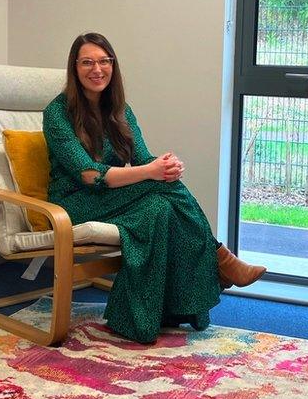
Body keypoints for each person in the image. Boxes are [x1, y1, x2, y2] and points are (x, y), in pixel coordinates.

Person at [43, 32, 266, 344]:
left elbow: (143, 158)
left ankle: (151, 315)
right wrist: (151, 172)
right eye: (87, 62)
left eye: (104, 61)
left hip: (111, 197)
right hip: (75, 202)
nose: (97, 69)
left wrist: (166, 166)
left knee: (161, 205)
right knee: (163, 192)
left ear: (113, 66)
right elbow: (90, 175)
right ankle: (220, 259)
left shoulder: (120, 109)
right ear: (75, 68)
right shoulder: (57, 113)